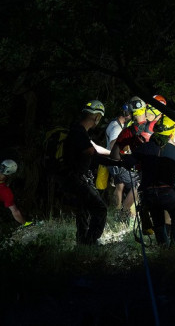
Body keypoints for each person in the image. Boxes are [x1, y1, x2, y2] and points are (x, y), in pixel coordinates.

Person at [122, 117, 175, 246]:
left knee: (157, 219)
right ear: (170, 134)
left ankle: (163, 246)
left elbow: (128, 163)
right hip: (168, 193)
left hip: (149, 194)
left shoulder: (144, 148)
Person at [61, 99, 111, 244]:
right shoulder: (79, 132)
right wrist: (117, 163)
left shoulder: (78, 130)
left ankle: (82, 243)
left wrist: (114, 156)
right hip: (77, 178)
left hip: (71, 177)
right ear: (97, 117)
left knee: (83, 210)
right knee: (100, 209)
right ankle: (90, 242)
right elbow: (93, 155)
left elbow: (93, 149)